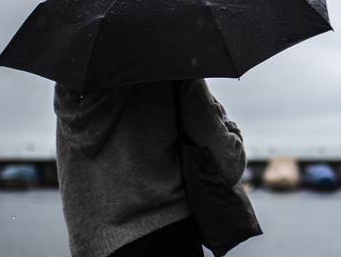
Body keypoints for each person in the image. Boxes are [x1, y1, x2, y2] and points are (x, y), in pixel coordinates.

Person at [53, 79, 245, 257]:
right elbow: (230, 163)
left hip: (96, 247)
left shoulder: (70, 85)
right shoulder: (172, 66)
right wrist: (226, 121)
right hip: (169, 237)